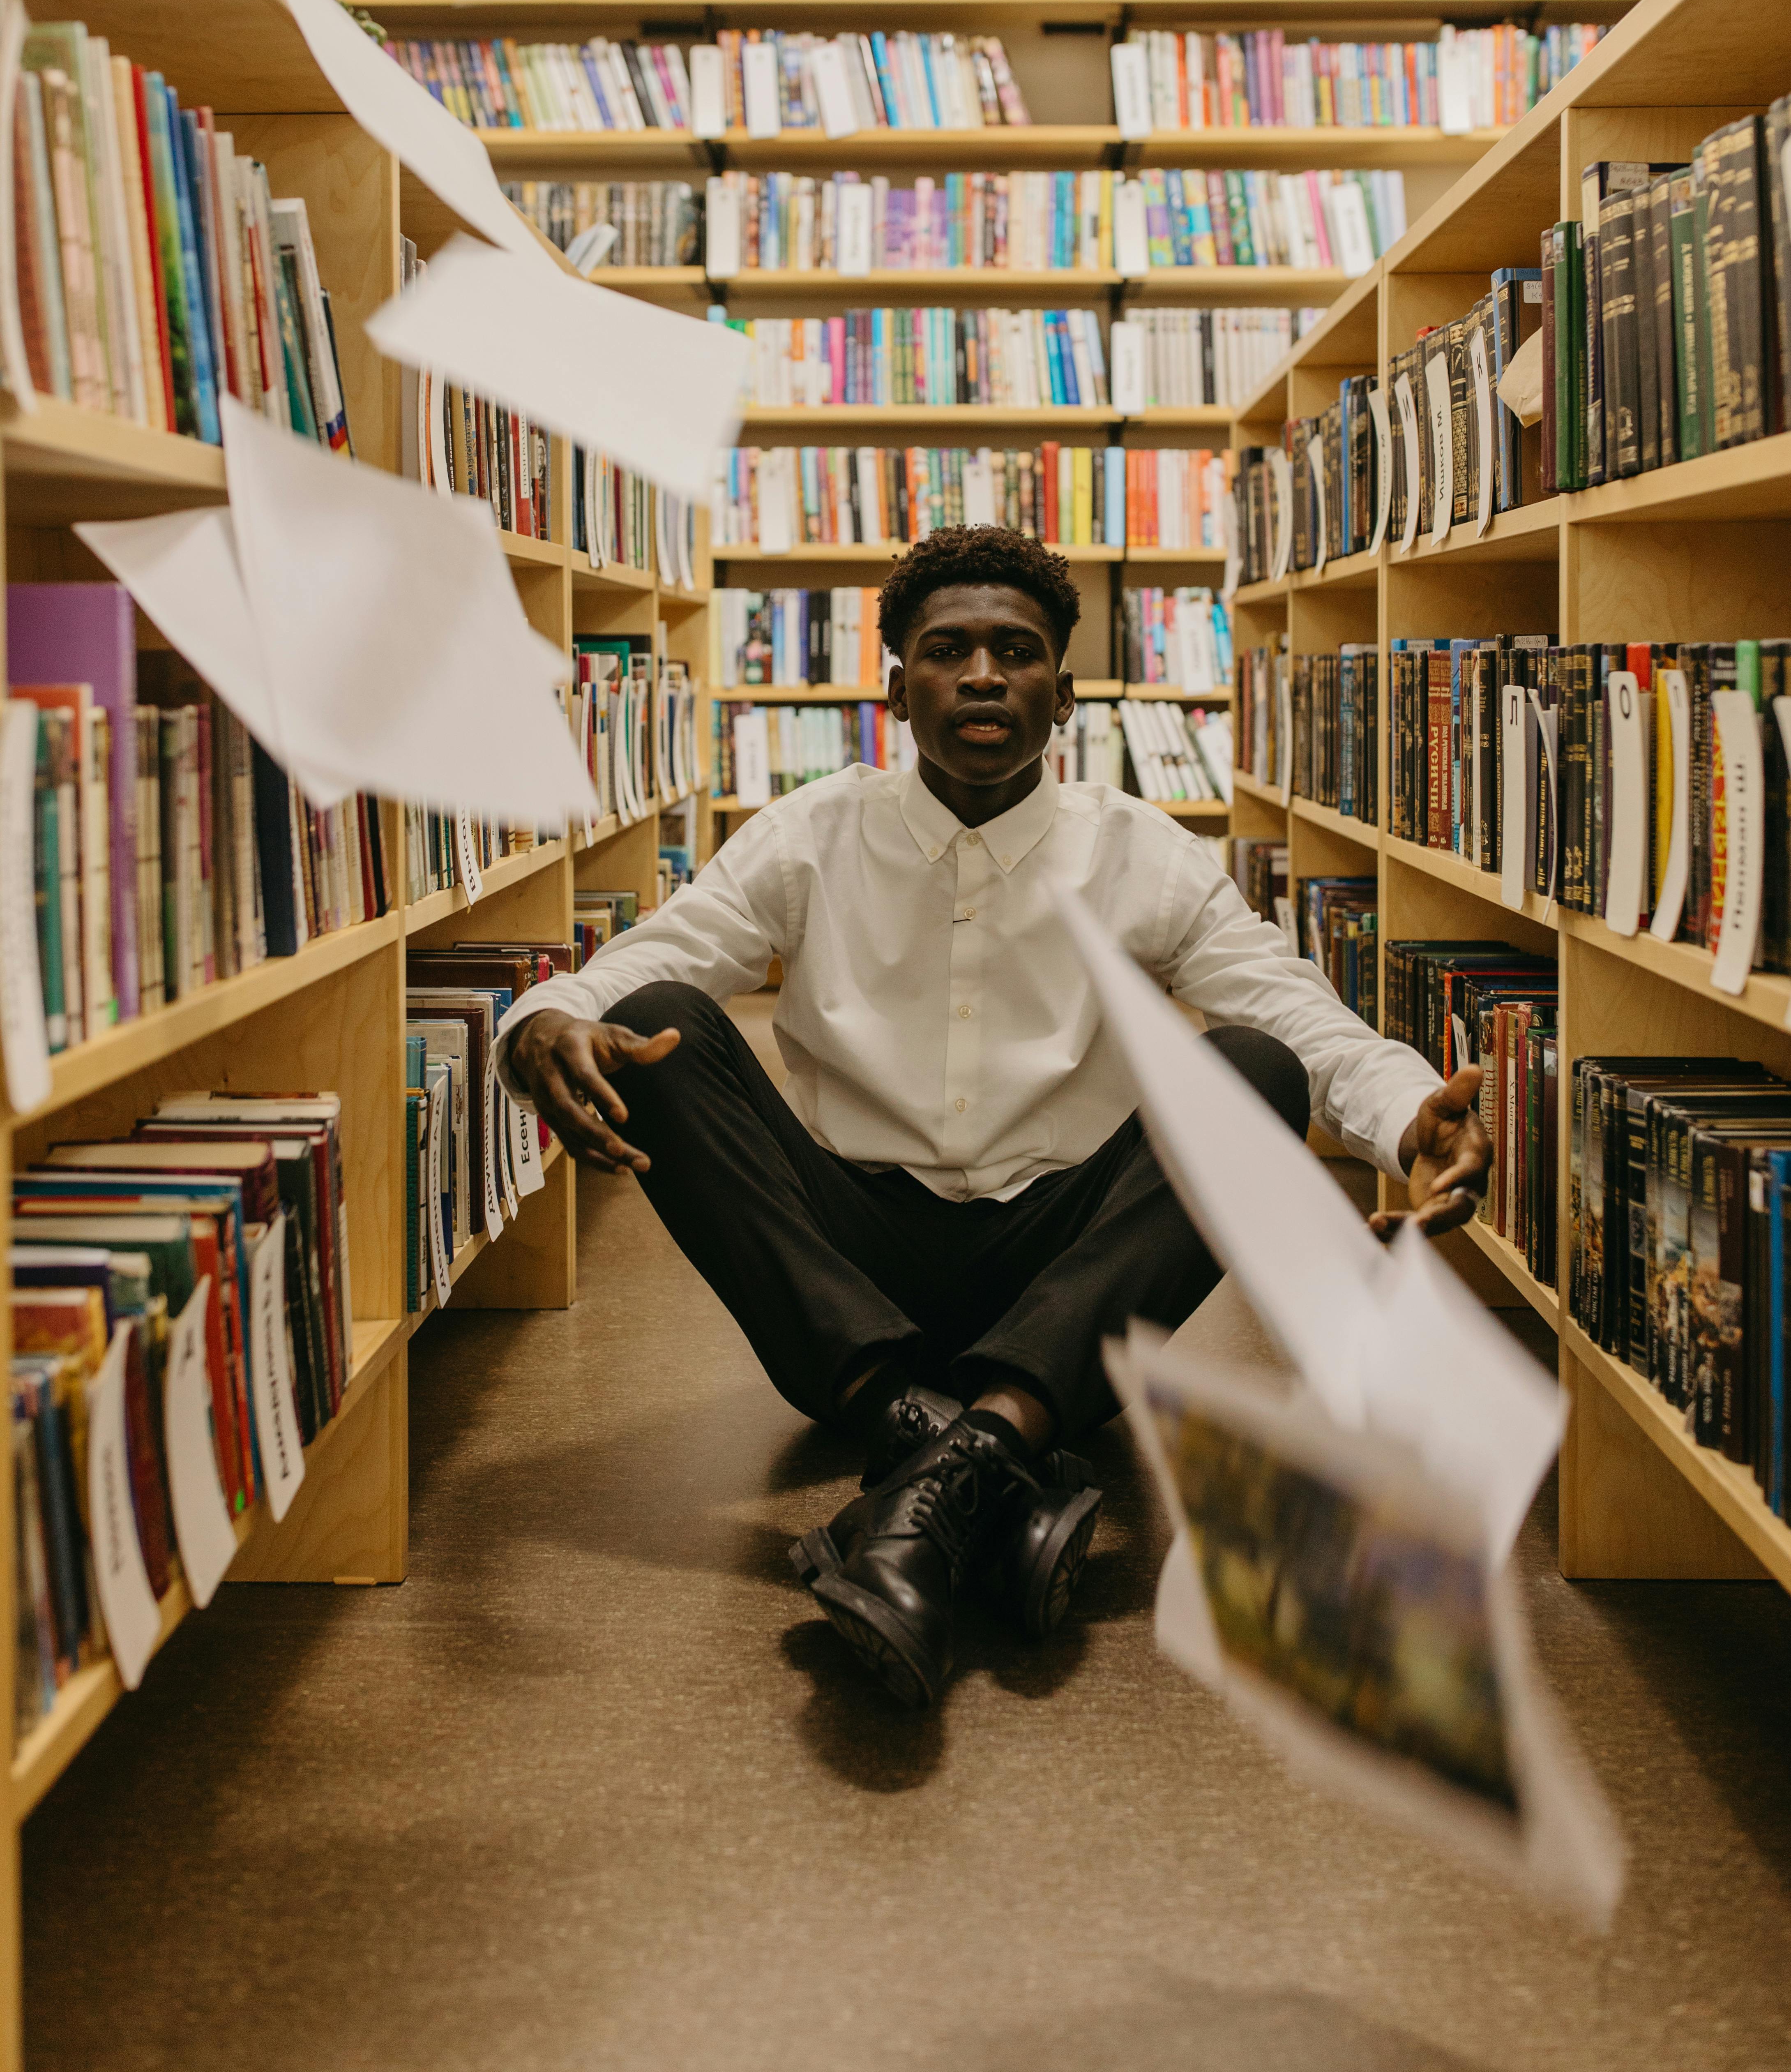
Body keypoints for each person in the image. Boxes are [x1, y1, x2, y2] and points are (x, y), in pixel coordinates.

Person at [498, 527, 1490, 1710]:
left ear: (1063, 693)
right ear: (896, 686)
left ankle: (949, 1459)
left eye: (1015, 652)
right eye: (946, 650)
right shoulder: (807, 837)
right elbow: (647, 959)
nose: (980, 676)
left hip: (1067, 1278)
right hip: (854, 1283)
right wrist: (542, 1021)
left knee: (1257, 1068)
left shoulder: (1144, 855)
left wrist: (1402, 1116)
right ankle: (970, 1453)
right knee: (657, 1019)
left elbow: (1302, 1019)